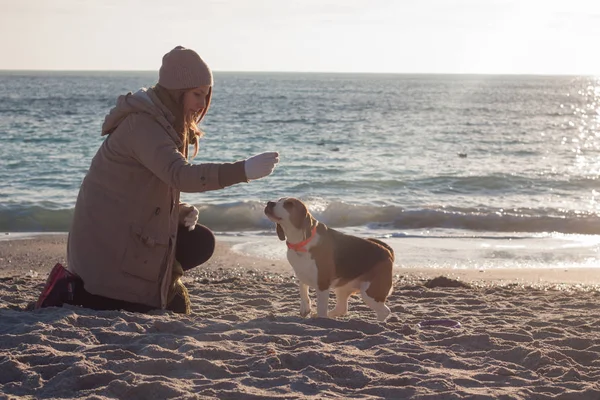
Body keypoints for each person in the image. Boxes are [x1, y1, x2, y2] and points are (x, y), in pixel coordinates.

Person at [34, 46, 279, 314]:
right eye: (197, 94)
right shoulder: (143, 125)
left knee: (199, 242)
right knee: (168, 293)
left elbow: (143, 191)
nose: (202, 103)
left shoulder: (165, 124)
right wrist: (243, 170)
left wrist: (179, 210)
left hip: (125, 233)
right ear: (177, 91)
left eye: (206, 95)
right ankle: (78, 293)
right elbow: (180, 175)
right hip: (106, 245)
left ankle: (129, 291)